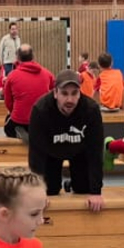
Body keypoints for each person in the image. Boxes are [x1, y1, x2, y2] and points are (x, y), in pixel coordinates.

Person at [26, 71, 105, 210]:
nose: (70, 100)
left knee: (83, 189)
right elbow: (36, 155)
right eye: (64, 93)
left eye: (74, 93)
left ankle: (72, 184)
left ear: (80, 93)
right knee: (50, 190)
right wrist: (38, 192)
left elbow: (95, 152)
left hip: (80, 151)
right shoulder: (40, 110)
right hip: (50, 152)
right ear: (55, 93)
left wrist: (96, 192)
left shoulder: (91, 110)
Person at [1, 43, 53, 143]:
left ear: (17, 57)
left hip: (20, 120)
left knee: (8, 126)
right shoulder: (47, 73)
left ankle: (23, 132)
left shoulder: (12, 76)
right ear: (33, 56)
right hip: (41, 119)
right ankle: (37, 133)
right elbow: (54, 90)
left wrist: (13, 111)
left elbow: (8, 101)